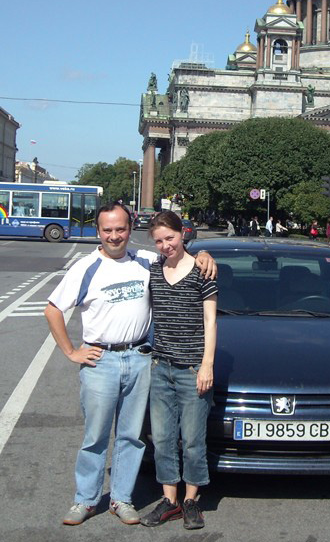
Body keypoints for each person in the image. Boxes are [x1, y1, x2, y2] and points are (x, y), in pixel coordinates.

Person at [44, 203, 216, 527]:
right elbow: (53, 309)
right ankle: (85, 500)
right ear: (98, 232)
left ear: (129, 229)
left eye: (120, 229)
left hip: (139, 358)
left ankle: (121, 498)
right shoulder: (86, 268)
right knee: (95, 436)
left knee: (131, 436)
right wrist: (70, 352)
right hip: (101, 361)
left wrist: (204, 253)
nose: (114, 236)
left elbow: (180, 256)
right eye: (107, 230)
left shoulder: (145, 261)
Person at [140, 212, 217, 531]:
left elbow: (211, 321)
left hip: (192, 368)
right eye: (158, 241)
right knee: (163, 438)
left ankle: (192, 501)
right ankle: (170, 499)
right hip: (161, 367)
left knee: (193, 440)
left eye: (169, 238)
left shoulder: (203, 270)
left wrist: (207, 365)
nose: (165, 245)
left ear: (182, 234)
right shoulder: (154, 270)